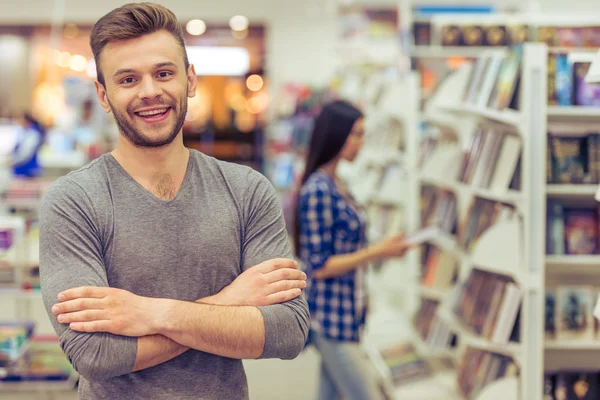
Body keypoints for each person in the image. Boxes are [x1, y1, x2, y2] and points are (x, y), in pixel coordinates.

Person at [39, 3, 309, 400]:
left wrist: (149, 314)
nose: (150, 91)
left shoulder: (247, 190)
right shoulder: (73, 201)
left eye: (164, 73)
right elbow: (94, 354)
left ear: (190, 79)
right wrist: (230, 302)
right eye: (128, 79)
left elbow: (286, 332)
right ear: (103, 95)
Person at [295, 100, 412, 400]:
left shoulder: (339, 183)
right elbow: (318, 265)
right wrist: (379, 251)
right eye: (356, 134)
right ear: (337, 135)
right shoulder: (319, 190)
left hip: (348, 314)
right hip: (331, 319)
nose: (361, 142)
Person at [10, 113, 46, 178]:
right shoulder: (26, 132)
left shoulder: (32, 134)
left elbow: (25, 153)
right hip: (23, 167)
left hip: (27, 169)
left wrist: (13, 161)